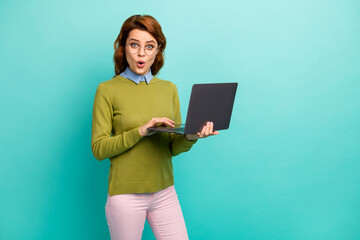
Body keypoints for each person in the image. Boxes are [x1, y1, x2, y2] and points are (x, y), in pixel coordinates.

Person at [91, 14, 219, 240]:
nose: (141, 54)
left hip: (165, 192)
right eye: (134, 45)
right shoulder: (107, 89)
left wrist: (191, 136)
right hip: (125, 195)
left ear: (157, 50)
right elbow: (99, 149)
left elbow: (172, 148)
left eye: (149, 46)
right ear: (123, 47)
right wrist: (140, 131)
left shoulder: (168, 88)